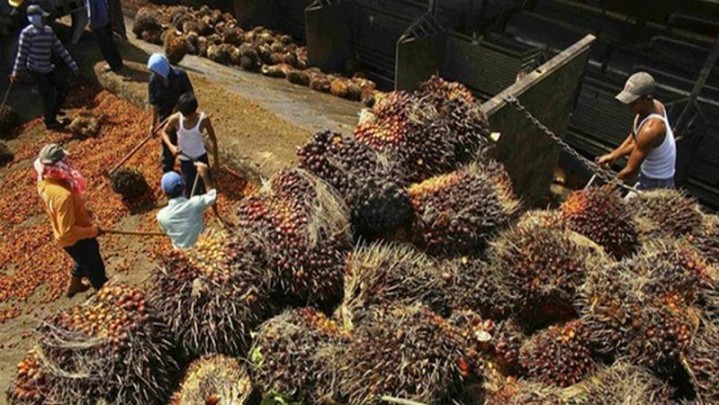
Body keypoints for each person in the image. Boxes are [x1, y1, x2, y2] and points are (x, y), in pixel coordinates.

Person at [34, 144, 108, 297]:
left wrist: (81, 211)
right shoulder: (62, 196)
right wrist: (92, 231)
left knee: (83, 258)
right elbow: (67, 232)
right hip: (76, 239)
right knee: (94, 265)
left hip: (70, 232)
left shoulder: (44, 181)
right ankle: (104, 293)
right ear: (58, 165)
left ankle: (75, 284)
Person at [597, 72, 676, 191]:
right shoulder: (654, 106)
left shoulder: (651, 129)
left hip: (656, 183)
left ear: (647, 98)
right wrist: (613, 155)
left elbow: (630, 170)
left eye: (633, 103)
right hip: (648, 173)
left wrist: (606, 189)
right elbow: (635, 138)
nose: (629, 107)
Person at [10, 5, 79, 130]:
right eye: (41, 17)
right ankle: (50, 122)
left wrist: (72, 64)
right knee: (47, 94)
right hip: (35, 69)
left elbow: (60, 49)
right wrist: (16, 72)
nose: (43, 20)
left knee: (64, 86)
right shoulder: (27, 33)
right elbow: (21, 54)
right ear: (33, 18)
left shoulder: (48, 31)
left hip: (48, 67)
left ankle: (54, 109)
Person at [162, 92, 220, 197]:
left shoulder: (203, 119)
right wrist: (171, 147)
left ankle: (215, 213)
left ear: (195, 111)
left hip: (201, 157)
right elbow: (164, 132)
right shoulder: (175, 119)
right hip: (185, 159)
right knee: (189, 190)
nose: (187, 118)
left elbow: (213, 139)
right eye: (185, 116)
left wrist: (216, 161)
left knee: (208, 188)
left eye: (190, 116)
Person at [147, 53, 194, 173]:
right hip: (165, 115)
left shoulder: (180, 76)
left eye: (156, 72)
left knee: (186, 140)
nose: (155, 75)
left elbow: (189, 95)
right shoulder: (153, 81)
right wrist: (153, 124)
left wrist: (178, 108)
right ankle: (168, 168)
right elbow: (154, 103)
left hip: (184, 114)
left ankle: (190, 166)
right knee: (168, 142)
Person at [156, 163, 217, 249]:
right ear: (184, 187)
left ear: (164, 193)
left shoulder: (161, 216)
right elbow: (212, 196)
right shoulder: (195, 204)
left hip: (182, 256)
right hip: (202, 247)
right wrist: (204, 176)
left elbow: (167, 232)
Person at [86, 0, 124, 72]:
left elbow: (91, 11)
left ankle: (114, 65)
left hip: (99, 23)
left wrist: (90, 23)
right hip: (106, 20)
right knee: (111, 43)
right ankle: (119, 62)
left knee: (105, 47)